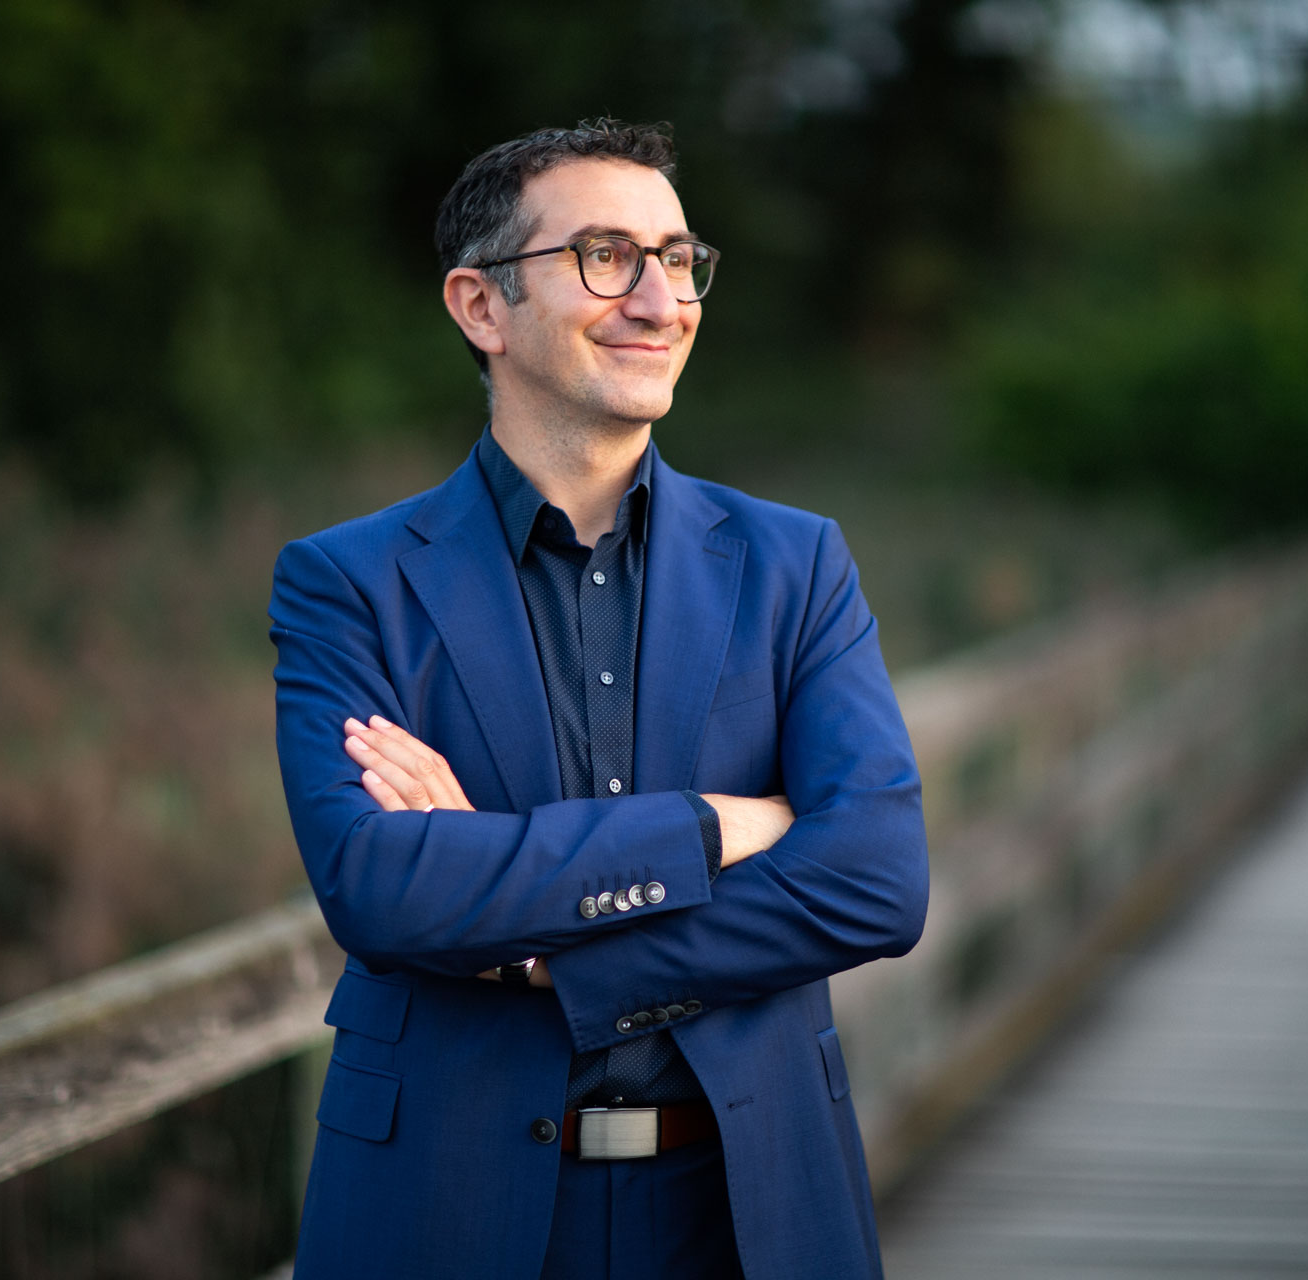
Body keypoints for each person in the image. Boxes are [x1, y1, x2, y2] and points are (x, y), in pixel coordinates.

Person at [269, 119, 928, 1280]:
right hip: (443, 1205)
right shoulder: (347, 582)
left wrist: (555, 955)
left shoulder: (796, 562)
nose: (660, 298)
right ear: (482, 307)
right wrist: (713, 827)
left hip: (749, 1205)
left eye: (678, 259)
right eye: (606, 255)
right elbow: (379, 887)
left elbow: (876, 877)